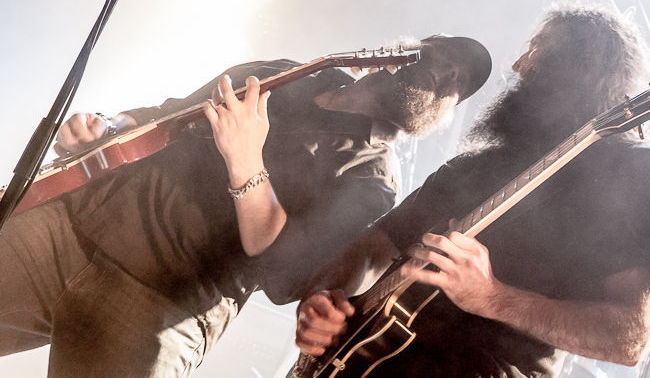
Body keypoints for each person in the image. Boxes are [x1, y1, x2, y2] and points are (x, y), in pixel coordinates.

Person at [0, 35, 492, 377]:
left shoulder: (374, 179)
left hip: (155, 307)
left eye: (458, 82)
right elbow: (169, 114)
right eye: (444, 54)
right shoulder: (287, 73)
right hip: (69, 229)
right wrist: (109, 126)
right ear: (408, 48)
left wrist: (246, 161)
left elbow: (284, 276)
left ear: (446, 112)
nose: (447, 72)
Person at [295, 1, 650, 378]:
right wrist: (325, 297)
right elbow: (372, 247)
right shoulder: (473, 166)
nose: (517, 66)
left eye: (536, 50)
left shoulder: (641, 175)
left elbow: (630, 337)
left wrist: (492, 296)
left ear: (578, 69)